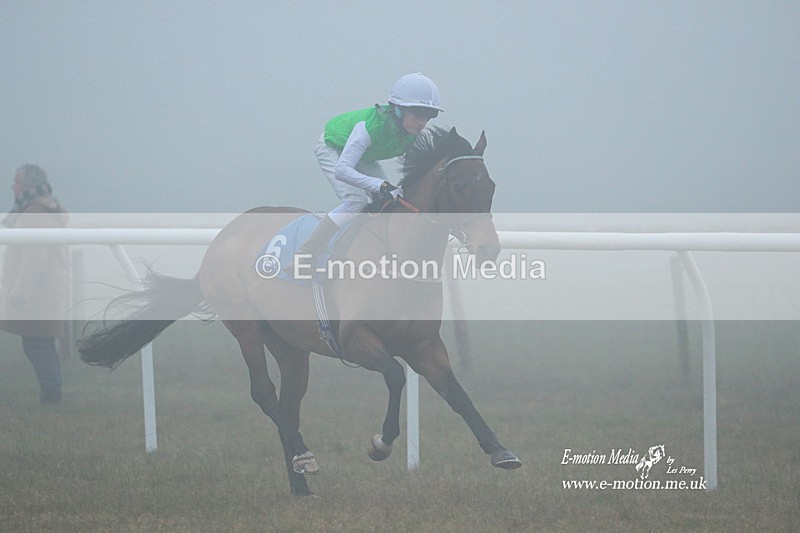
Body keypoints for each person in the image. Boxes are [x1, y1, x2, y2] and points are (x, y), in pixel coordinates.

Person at [292, 72, 443, 264]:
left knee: (391, 198)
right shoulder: (369, 127)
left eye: (429, 116)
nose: (422, 122)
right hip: (333, 148)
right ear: (398, 109)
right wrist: (380, 185)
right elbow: (342, 171)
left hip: (364, 156)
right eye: (417, 114)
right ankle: (306, 252)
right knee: (355, 201)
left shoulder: (411, 133)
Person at [0, 164, 69, 404]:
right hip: (44, 290)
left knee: (38, 346)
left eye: (17, 181)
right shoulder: (43, 210)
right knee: (41, 344)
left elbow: (35, 257)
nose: (13, 186)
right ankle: (51, 394)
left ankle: (51, 396)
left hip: (37, 293)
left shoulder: (34, 214)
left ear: (27, 186)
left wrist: (19, 293)